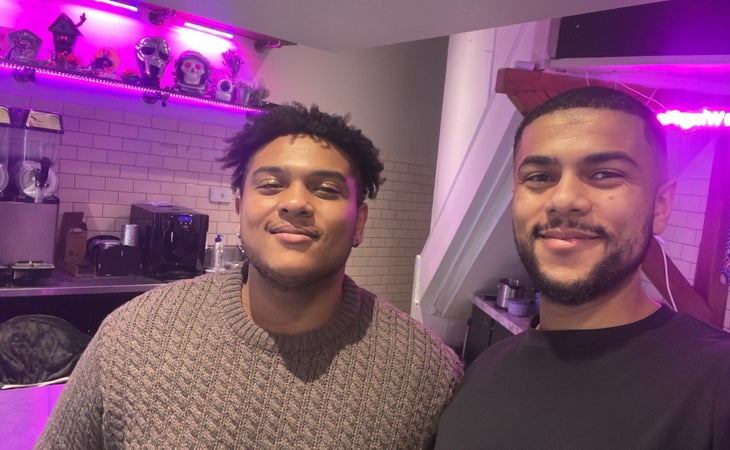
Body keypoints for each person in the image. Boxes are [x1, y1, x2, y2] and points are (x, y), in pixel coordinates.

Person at [37, 103, 462, 449]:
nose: (295, 203)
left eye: (326, 189)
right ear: (240, 209)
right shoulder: (134, 335)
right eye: (272, 184)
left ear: (360, 222)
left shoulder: (425, 372)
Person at [435, 87, 730, 449]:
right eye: (540, 177)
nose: (563, 200)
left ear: (660, 206)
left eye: (604, 174)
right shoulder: (480, 372)